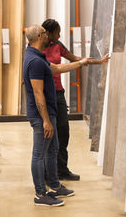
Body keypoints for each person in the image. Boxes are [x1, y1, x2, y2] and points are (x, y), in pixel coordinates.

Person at [23, 25, 89, 207]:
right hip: (41, 115)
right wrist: (45, 120)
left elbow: (57, 68)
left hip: (49, 112)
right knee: (39, 154)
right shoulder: (35, 61)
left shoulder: (38, 56)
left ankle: (54, 185)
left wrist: (82, 62)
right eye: (45, 33)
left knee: (53, 149)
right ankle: (40, 195)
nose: (49, 36)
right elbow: (37, 93)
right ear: (38, 36)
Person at [42, 19, 109, 181]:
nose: (59, 35)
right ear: (49, 33)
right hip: (44, 95)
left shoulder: (58, 45)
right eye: (57, 32)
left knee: (63, 133)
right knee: (47, 136)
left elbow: (76, 59)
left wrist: (99, 61)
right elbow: (54, 68)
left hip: (58, 94)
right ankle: (46, 174)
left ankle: (62, 170)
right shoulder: (38, 48)